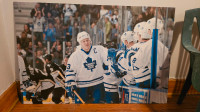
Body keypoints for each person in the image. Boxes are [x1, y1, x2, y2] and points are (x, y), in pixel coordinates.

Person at [65, 31, 108, 104]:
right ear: (80, 43)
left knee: (99, 108)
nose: (86, 43)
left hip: (98, 85)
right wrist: (70, 83)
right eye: (83, 41)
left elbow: (108, 58)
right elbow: (70, 71)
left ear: (90, 40)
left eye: (87, 40)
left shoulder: (99, 49)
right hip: (82, 88)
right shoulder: (74, 56)